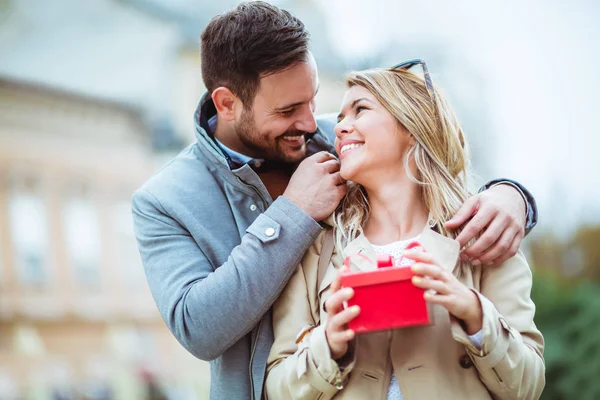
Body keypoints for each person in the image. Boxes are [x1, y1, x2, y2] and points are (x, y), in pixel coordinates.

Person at [131, 2, 539, 399]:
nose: (313, 124)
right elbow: (200, 330)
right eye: (289, 109)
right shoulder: (163, 201)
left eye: (313, 100)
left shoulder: (344, 138)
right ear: (227, 104)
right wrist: (293, 213)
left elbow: (437, 167)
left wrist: (513, 196)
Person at [265, 63, 545, 399]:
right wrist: (329, 345)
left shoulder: (484, 235)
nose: (340, 128)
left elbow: (529, 385)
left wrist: (475, 315)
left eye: (360, 109)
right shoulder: (315, 247)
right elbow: (277, 387)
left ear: (411, 126)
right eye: (340, 118)